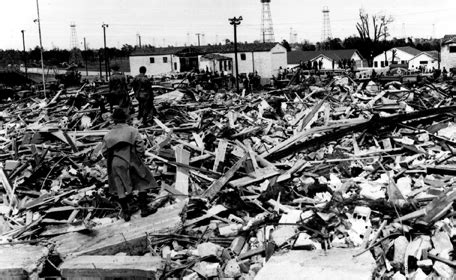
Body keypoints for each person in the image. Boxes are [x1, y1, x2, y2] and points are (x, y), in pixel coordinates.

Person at [102, 109, 158, 221]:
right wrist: (139, 156)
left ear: (114, 121)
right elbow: (140, 147)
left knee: (120, 186)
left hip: (116, 162)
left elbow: (104, 152)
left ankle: (126, 213)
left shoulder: (108, 135)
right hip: (131, 158)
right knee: (143, 180)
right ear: (125, 119)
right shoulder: (132, 130)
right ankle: (144, 209)